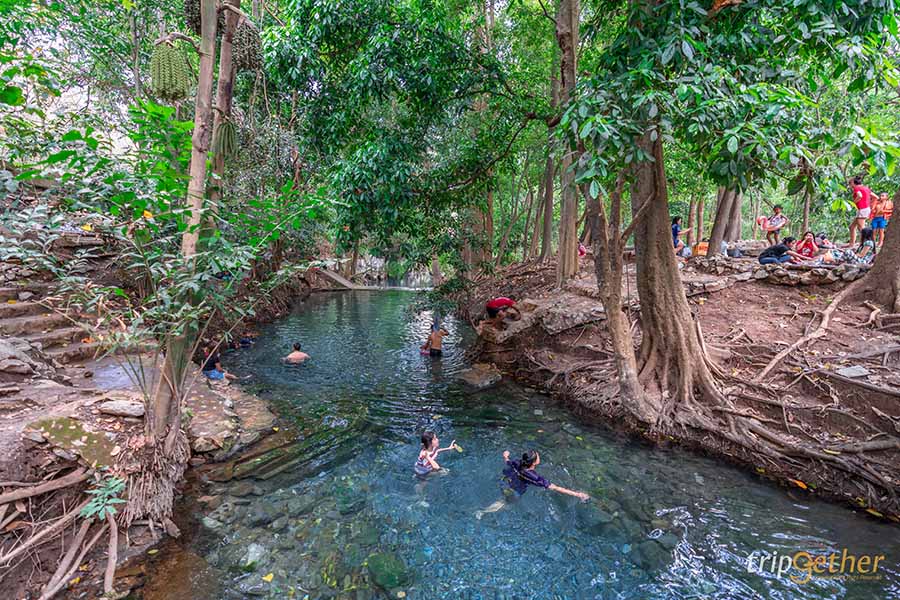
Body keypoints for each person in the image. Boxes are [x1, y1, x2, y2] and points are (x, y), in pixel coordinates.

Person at [475, 449, 589, 519]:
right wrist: (578, 495)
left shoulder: (517, 462)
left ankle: (486, 510)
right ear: (534, 462)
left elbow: (507, 461)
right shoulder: (533, 477)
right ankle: (483, 512)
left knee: (505, 498)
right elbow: (556, 488)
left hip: (505, 482)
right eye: (537, 456)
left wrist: (505, 455)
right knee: (505, 504)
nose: (539, 456)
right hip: (513, 491)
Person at [848, 176, 872, 247]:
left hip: (862, 209)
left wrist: (853, 203)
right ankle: (851, 244)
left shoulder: (857, 188)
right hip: (865, 209)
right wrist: (871, 205)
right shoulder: (866, 188)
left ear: (853, 182)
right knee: (852, 227)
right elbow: (875, 197)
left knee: (861, 228)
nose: (850, 184)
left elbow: (860, 196)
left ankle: (866, 244)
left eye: (850, 182)